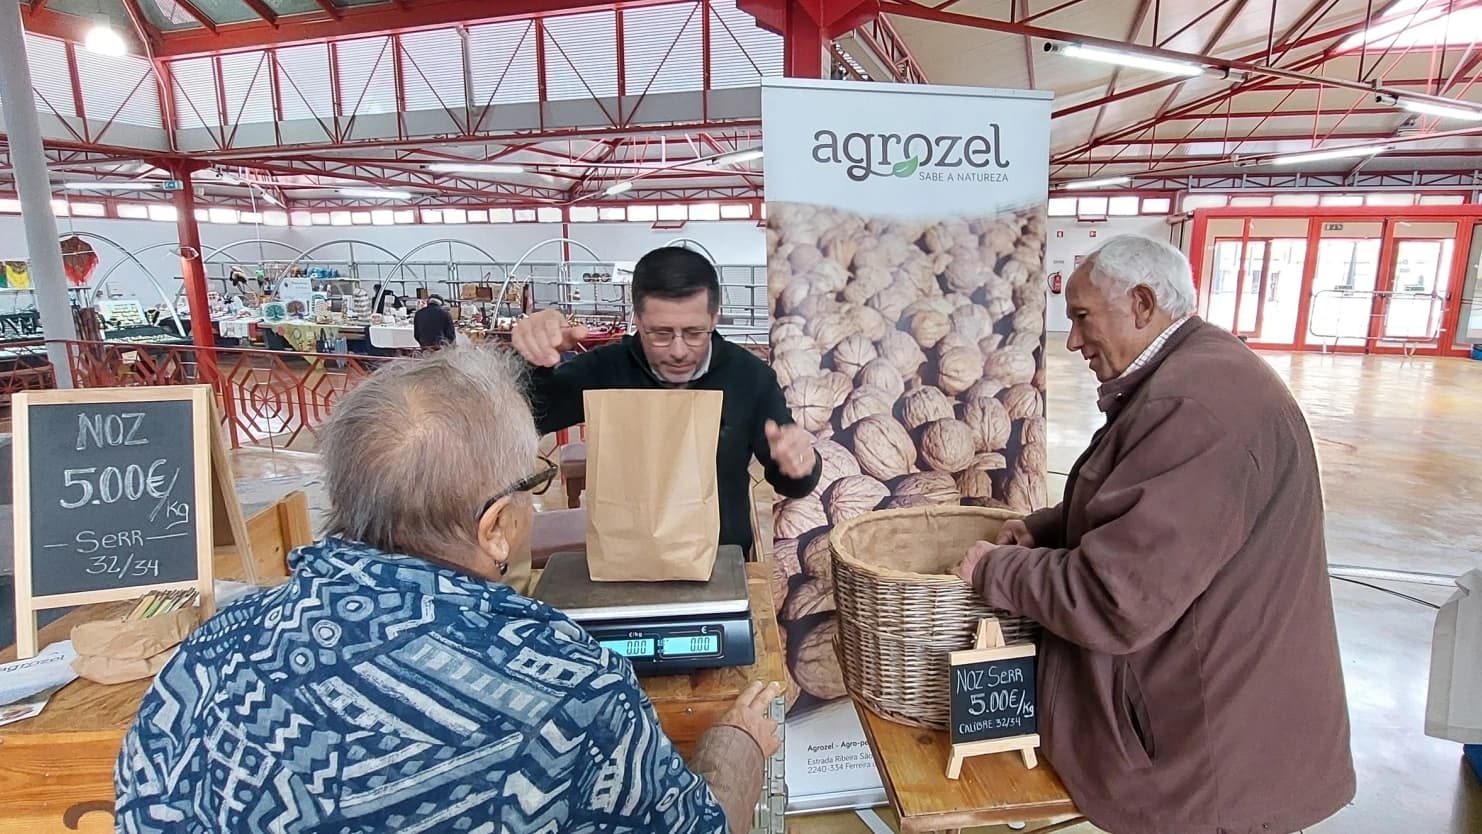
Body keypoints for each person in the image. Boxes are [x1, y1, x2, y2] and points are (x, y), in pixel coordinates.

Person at [114, 346, 780, 834]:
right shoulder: (567, 689)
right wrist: (737, 747)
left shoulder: (205, 658)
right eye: (533, 483)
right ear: (496, 528)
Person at [955, 234, 1354, 834]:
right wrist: (1043, 529)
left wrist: (995, 570)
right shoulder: (1197, 370)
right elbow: (1145, 499)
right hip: (1232, 716)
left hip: (1212, 747)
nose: (1076, 341)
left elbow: (1117, 598)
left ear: (1142, 303)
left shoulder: (1192, 406)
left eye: (1083, 317)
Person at [511, 246, 820, 557]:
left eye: (694, 332)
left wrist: (802, 466)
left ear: (714, 318)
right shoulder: (607, 368)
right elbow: (531, 417)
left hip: (720, 560)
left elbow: (792, 484)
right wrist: (533, 360)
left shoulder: (749, 378)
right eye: (660, 333)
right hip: (625, 561)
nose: (678, 350)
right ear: (637, 319)